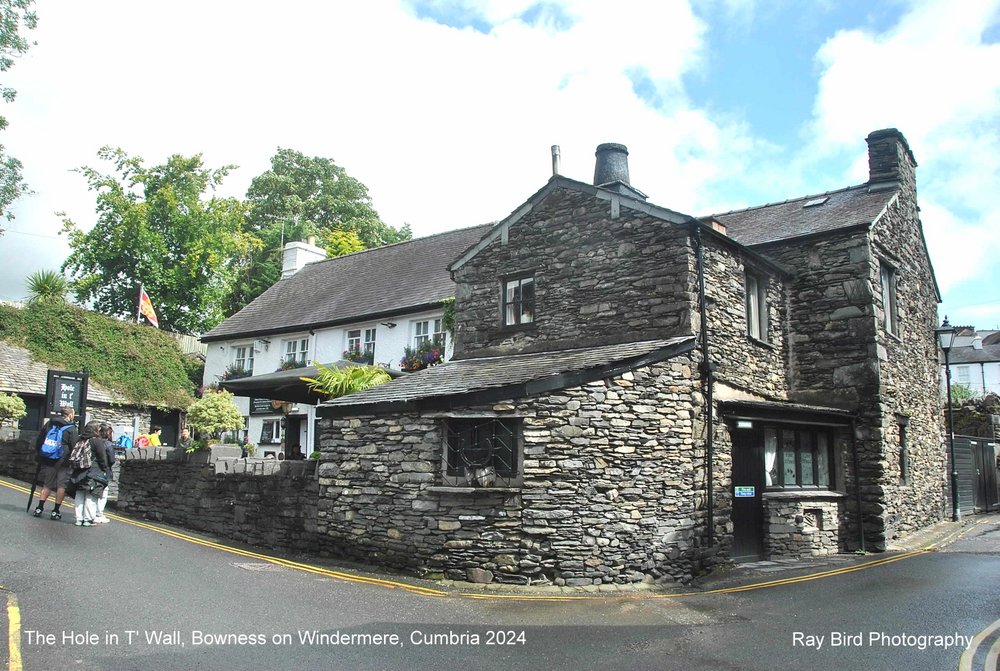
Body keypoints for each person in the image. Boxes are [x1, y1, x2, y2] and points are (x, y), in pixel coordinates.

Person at [32, 406, 79, 521]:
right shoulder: (71, 428)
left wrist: (40, 454)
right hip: (63, 461)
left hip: (49, 459)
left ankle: (39, 508)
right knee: (61, 486)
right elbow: (74, 446)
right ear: (70, 415)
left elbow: (40, 439)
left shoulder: (50, 423)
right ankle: (55, 511)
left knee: (47, 484)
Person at [68, 421, 110, 527]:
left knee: (80, 495)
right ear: (96, 430)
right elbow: (102, 459)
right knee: (90, 496)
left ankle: (79, 519)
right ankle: (88, 519)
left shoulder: (80, 439)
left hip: (78, 471)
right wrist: (105, 470)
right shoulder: (97, 441)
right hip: (93, 472)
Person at [93, 423, 117, 524]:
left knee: (93, 492)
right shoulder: (108, 444)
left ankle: (91, 513)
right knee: (103, 493)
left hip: (93, 469)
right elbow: (111, 460)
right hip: (104, 471)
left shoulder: (94, 441)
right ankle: (99, 514)